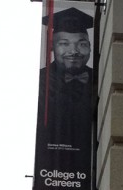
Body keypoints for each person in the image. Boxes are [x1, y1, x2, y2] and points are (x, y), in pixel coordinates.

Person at [36, 7, 94, 153]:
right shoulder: (42, 81)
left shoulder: (98, 79)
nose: (74, 51)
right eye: (64, 44)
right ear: (52, 47)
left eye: (82, 44)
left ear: (90, 47)